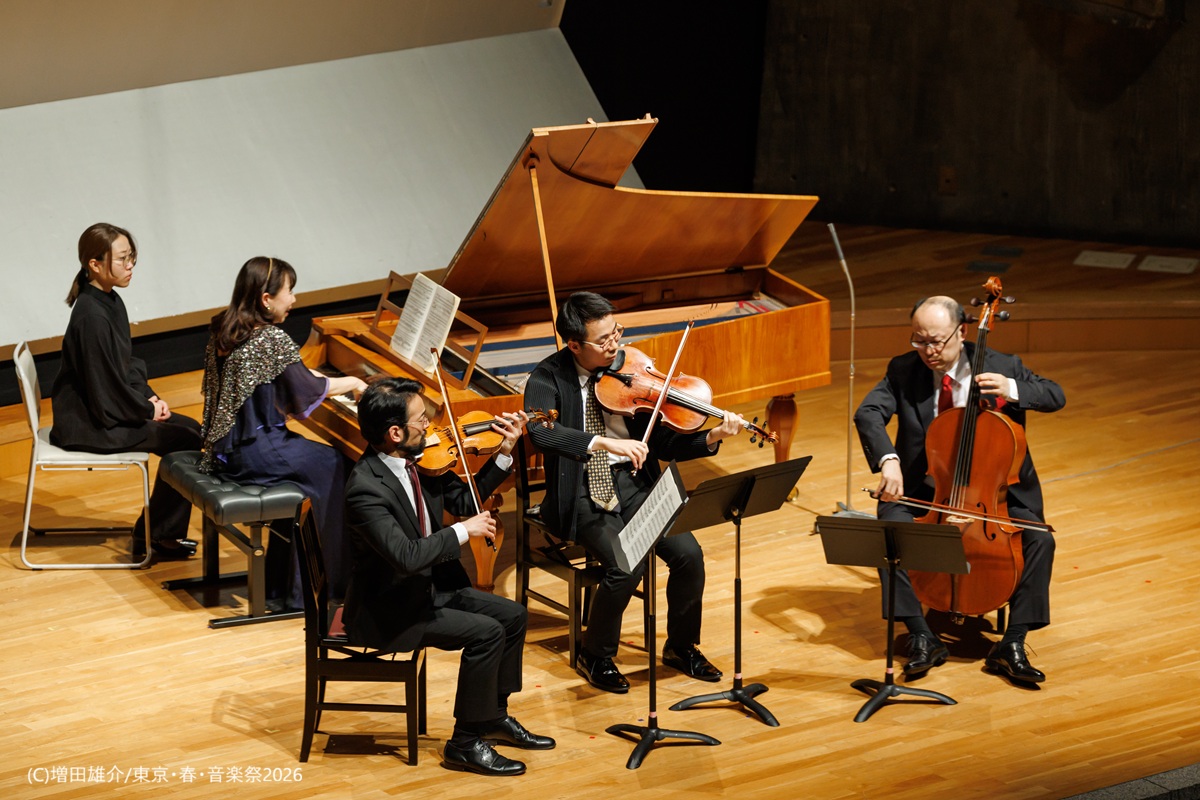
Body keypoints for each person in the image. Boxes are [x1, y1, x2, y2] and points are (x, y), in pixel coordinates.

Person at [523, 291, 745, 694]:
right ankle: (596, 654)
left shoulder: (632, 371)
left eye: (617, 332)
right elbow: (540, 432)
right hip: (581, 491)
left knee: (689, 555)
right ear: (574, 344)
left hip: (636, 483)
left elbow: (665, 442)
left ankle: (681, 646)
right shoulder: (546, 378)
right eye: (604, 340)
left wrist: (711, 435)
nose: (616, 345)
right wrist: (602, 444)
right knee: (626, 565)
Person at [342, 378, 550, 776]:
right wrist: (461, 531)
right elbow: (405, 557)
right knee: (486, 633)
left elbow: (463, 500)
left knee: (513, 617)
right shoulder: (366, 490)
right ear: (395, 432)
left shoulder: (418, 462)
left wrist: (506, 451)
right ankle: (465, 743)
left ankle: (490, 716)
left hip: (430, 589)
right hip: (391, 609)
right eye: (422, 420)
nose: (432, 428)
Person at [854, 295, 1065, 684]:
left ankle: (1012, 643)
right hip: (925, 489)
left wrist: (1013, 388)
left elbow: (1055, 395)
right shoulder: (904, 369)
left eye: (937, 340)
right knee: (890, 532)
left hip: (994, 497)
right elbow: (868, 413)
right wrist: (889, 460)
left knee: (1040, 541)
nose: (929, 351)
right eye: (919, 341)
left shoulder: (1002, 366)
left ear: (962, 331)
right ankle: (921, 635)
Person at [199, 256, 366, 610]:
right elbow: (306, 387)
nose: (293, 300)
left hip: (226, 451)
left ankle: (283, 583)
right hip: (258, 450)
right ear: (266, 298)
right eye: (289, 291)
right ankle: (316, 589)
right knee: (337, 466)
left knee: (319, 470)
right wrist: (352, 381)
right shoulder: (270, 339)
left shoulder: (223, 327)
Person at [51, 222, 202, 559]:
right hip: (90, 424)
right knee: (189, 440)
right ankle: (156, 536)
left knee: (191, 430)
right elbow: (104, 393)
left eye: (132, 258)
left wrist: (149, 396)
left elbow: (125, 366)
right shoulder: (91, 316)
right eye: (122, 259)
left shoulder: (109, 301)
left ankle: (158, 532)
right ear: (95, 264)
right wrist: (147, 411)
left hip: (107, 409)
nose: (130, 266)